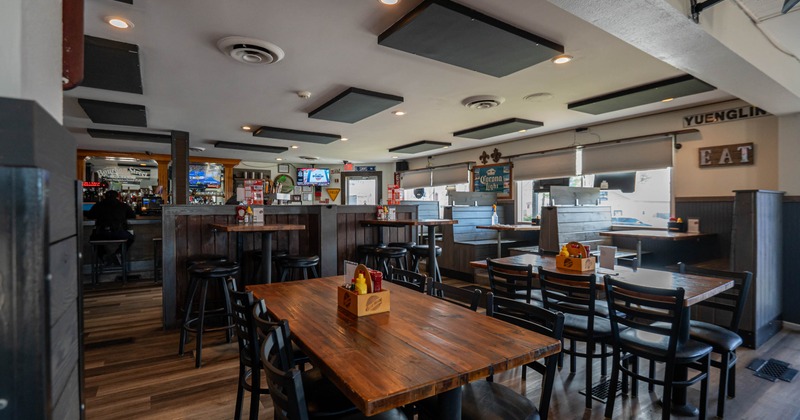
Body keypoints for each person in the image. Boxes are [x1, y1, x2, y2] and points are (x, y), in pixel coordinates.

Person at [87, 190, 136, 265]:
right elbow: (133, 216)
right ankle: (118, 254)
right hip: (118, 233)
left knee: (93, 238)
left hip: (101, 233)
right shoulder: (123, 205)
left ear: (104, 196)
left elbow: (89, 216)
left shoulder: (98, 205)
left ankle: (103, 256)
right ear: (117, 197)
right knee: (131, 237)